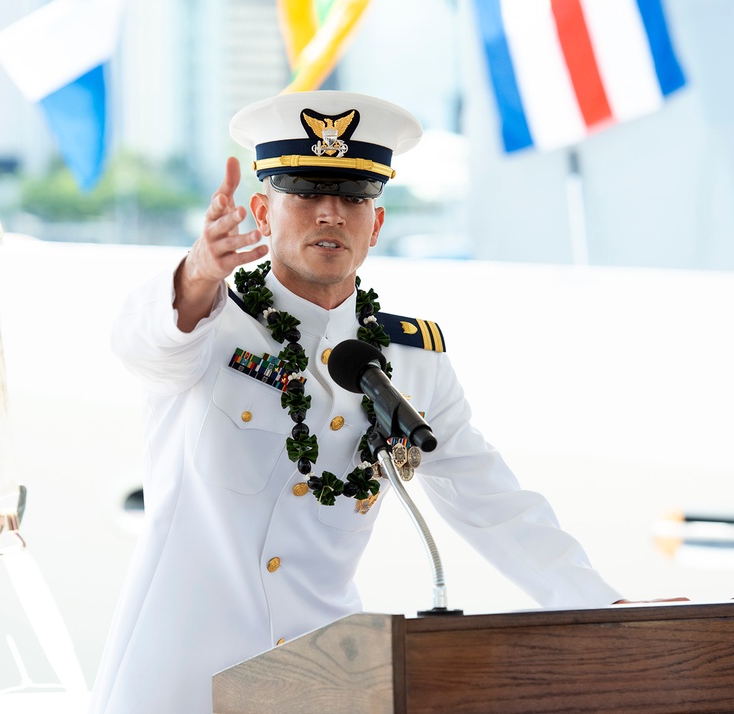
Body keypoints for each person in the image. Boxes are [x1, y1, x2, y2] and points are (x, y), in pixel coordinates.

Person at [90, 91, 623, 714]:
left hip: (326, 683)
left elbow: (495, 505)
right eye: (305, 192)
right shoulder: (208, 325)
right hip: (175, 687)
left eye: (352, 198)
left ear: (377, 223)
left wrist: (607, 611)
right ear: (262, 212)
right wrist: (199, 271)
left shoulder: (411, 363)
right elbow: (140, 341)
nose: (329, 214)